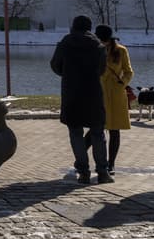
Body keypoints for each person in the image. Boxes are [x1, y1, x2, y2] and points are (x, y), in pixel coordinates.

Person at [50, 15, 112, 184]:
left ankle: (84, 172)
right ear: (89, 27)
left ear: (74, 26)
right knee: (98, 133)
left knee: (75, 132)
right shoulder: (98, 45)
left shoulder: (65, 43)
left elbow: (55, 65)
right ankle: (103, 172)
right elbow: (101, 70)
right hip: (93, 93)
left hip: (72, 93)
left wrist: (68, 74)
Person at [93, 24, 133, 175]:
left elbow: (128, 72)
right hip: (99, 92)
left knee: (115, 130)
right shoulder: (94, 49)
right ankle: (83, 159)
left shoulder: (121, 50)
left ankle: (111, 164)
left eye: (104, 40)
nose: (102, 42)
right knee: (96, 128)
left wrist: (122, 83)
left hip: (116, 93)